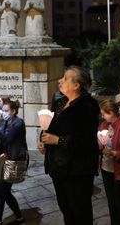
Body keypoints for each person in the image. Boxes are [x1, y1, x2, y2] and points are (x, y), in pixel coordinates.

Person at [40, 65, 100, 225]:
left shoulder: (87, 106)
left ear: (76, 85)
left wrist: (57, 140)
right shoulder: (60, 103)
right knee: (66, 209)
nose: (60, 80)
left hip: (77, 171)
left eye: (65, 78)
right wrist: (45, 142)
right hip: (58, 169)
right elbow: (51, 128)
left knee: (80, 212)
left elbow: (86, 142)